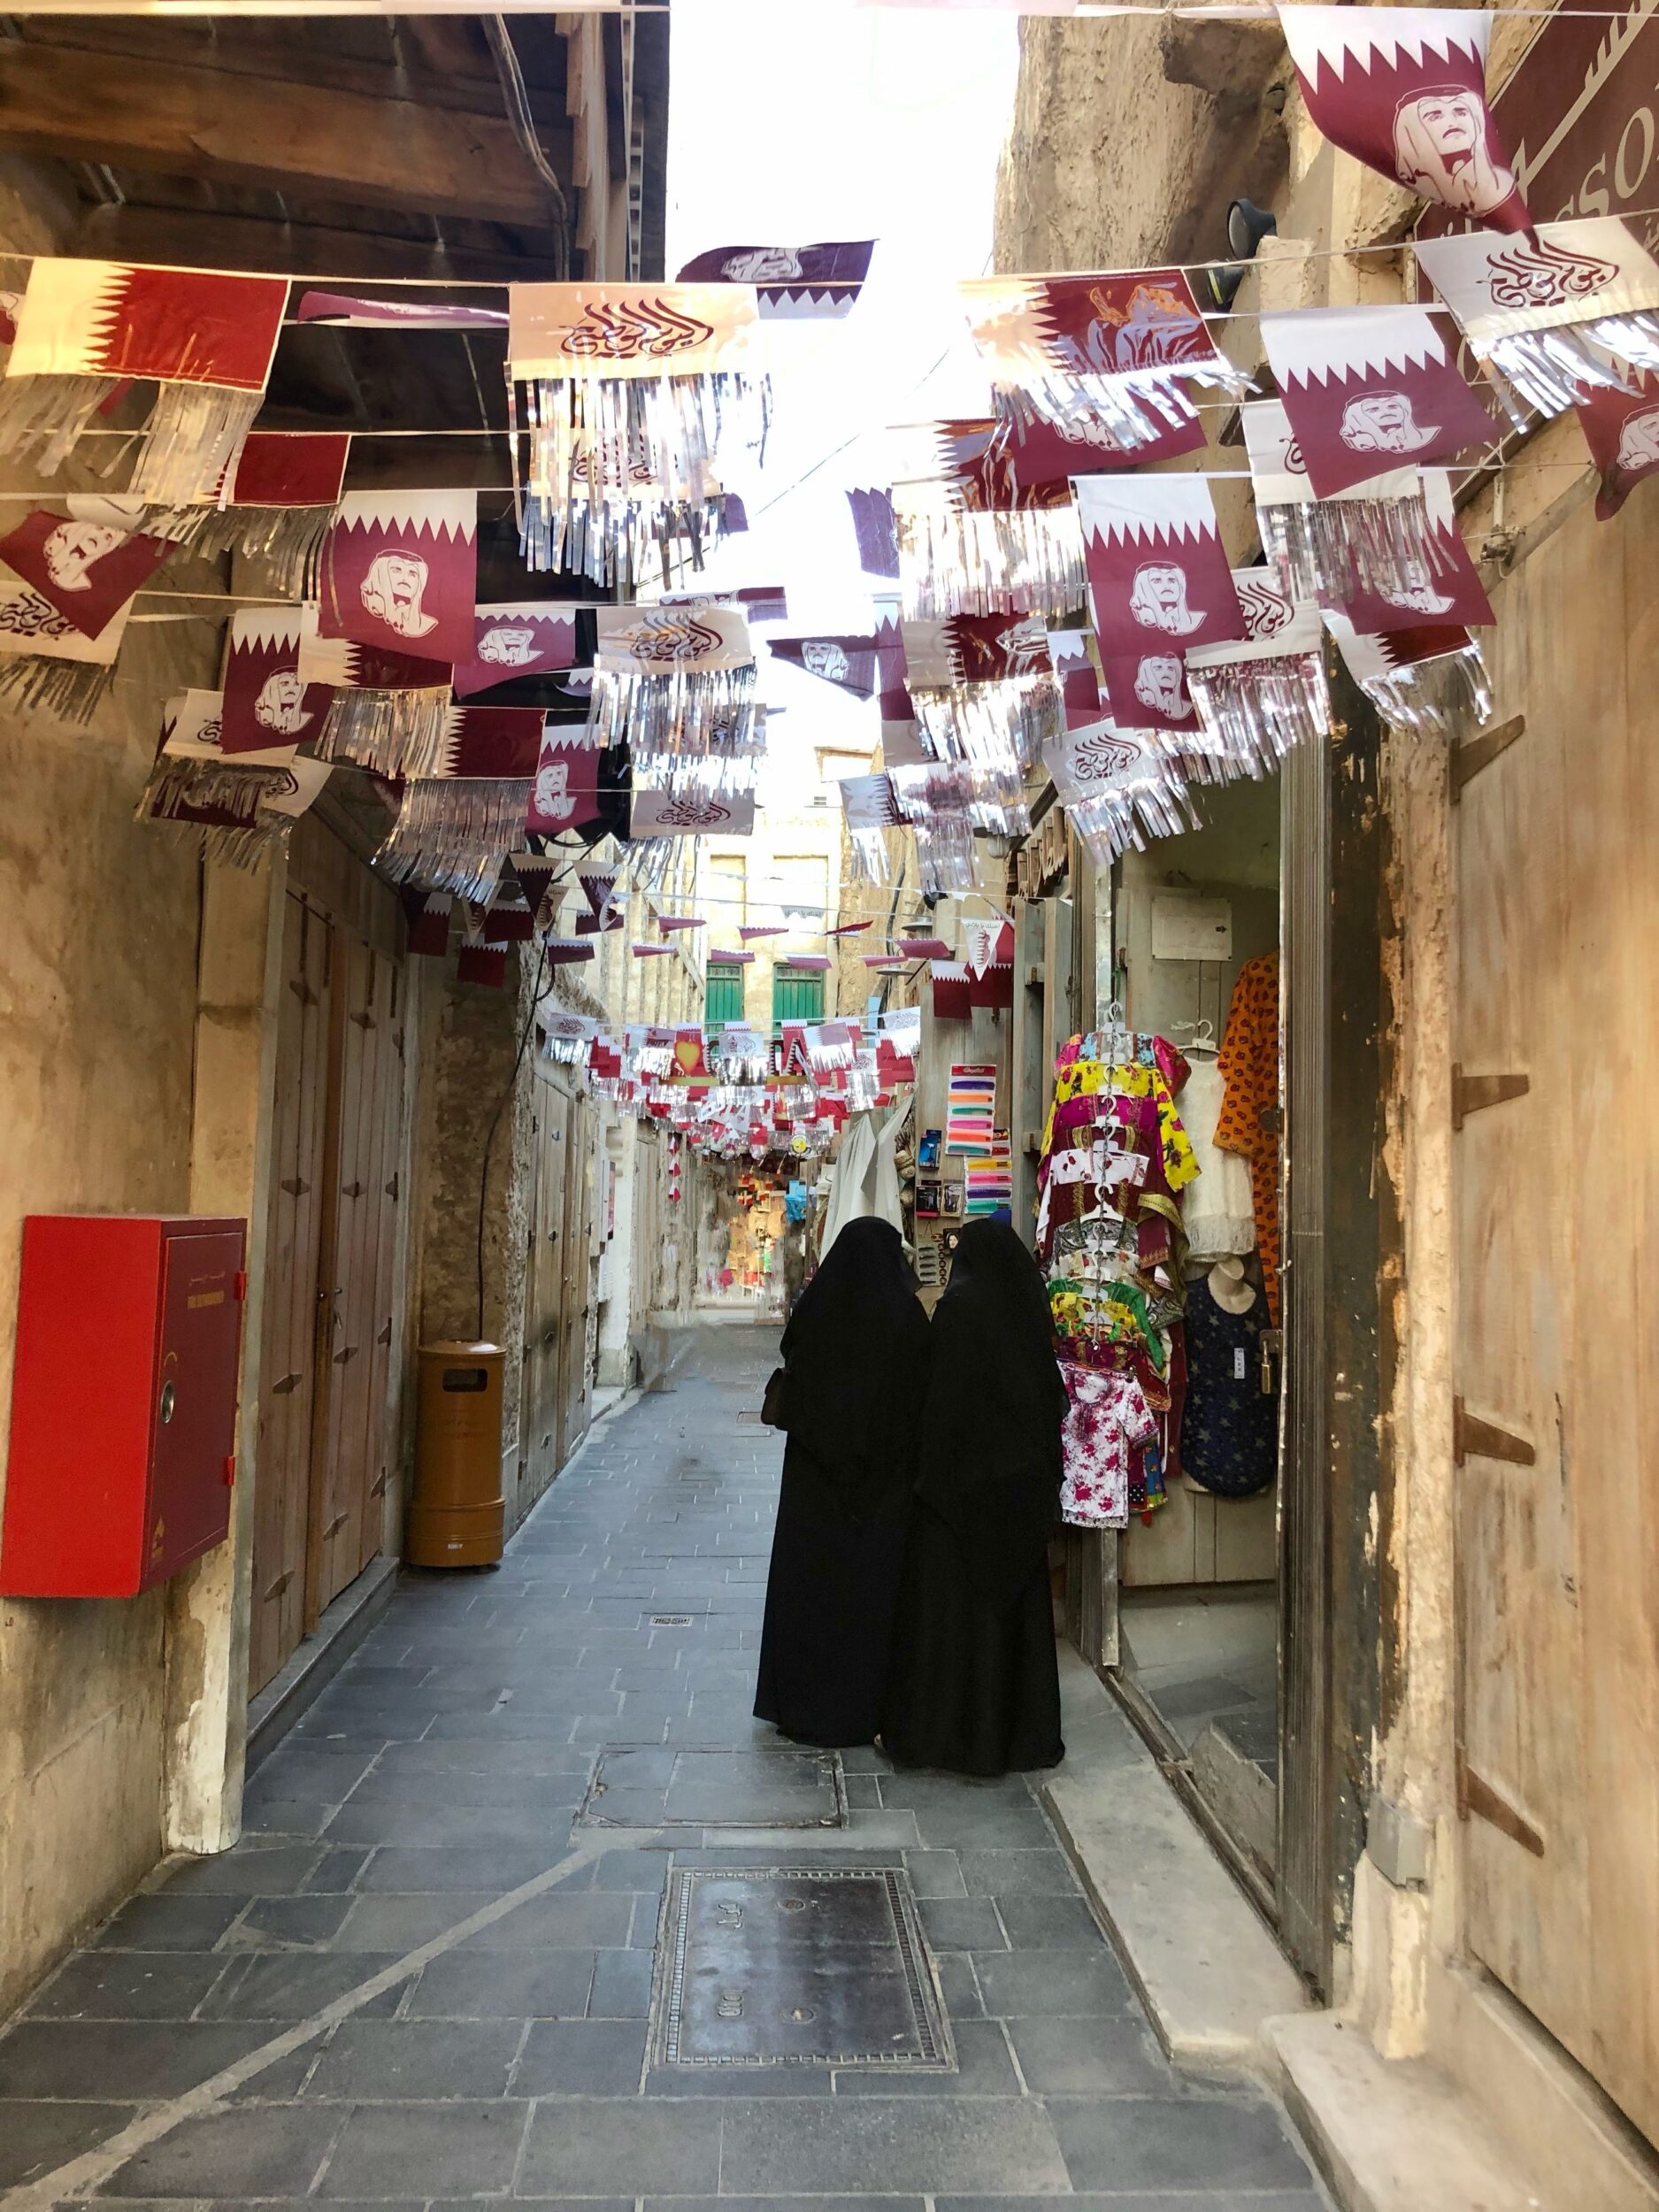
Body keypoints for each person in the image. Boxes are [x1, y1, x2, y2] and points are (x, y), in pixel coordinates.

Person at [883, 1220, 1068, 1776]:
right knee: (1012, 1628)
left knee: (956, 1626)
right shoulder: (1026, 1315)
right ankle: (1019, 1739)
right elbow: (1044, 1404)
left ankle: (956, 1739)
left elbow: (940, 1409)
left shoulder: (959, 1311)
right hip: (1018, 1494)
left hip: (958, 1499)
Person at [754, 1216, 932, 1747]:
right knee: (869, 1601)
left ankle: (804, 1705)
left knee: (811, 1596)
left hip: (815, 1492)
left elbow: (798, 1368)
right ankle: (866, 1707)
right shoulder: (904, 1319)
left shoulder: (818, 1313)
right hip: (880, 1495)